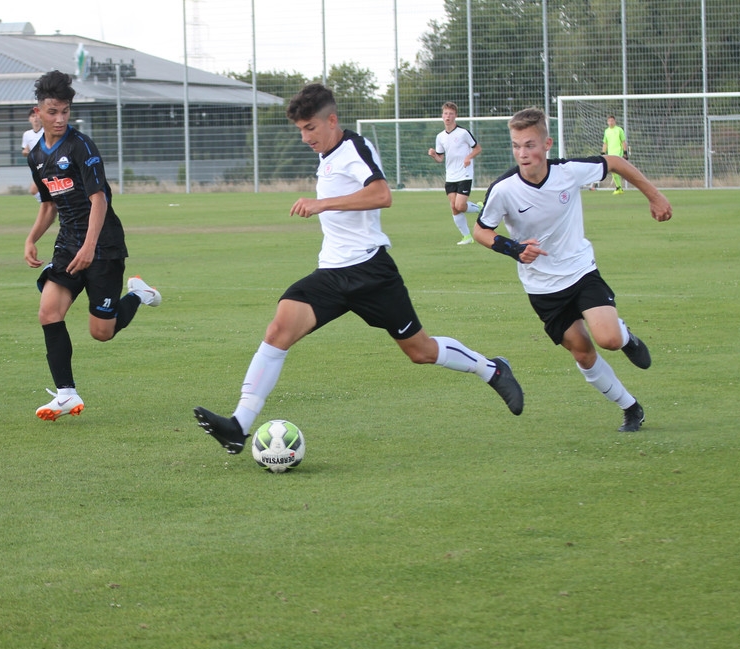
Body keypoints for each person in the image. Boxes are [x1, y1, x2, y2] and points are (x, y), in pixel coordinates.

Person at [194, 84, 524, 455]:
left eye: (310, 128)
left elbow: (382, 194)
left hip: (371, 271)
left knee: (421, 351)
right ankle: (239, 425)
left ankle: (492, 369)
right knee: (278, 329)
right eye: (300, 130)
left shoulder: (354, 148)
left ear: (331, 121)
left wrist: (322, 204)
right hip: (331, 273)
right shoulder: (327, 154)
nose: (305, 138)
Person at [472, 107, 672, 432]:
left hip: (580, 272)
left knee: (608, 339)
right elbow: (481, 230)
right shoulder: (503, 189)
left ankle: (625, 337)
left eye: (530, 145)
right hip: (542, 287)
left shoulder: (568, 172)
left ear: (547, 144)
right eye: (516, 146)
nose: (523, 153)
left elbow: (615, 162)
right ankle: (631, 408)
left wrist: (655, 196)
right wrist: (514, 249)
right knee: (582, 353)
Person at [23, 70, 161, 421]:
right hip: (68, 244)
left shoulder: (81, 147)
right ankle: (66, 394)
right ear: (38, 112)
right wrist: (31, 238)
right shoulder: (36, 156)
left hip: (104, 246)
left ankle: (139, 294)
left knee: (102, 332)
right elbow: (49, 204)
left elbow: (98, 200)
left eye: (65, 111)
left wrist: (90, 247)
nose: (59, 119)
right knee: (48, 312)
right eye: (52, 112)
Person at [427, 101, 483, 245]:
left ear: (455, 116)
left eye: (451, 114)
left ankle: (479, 208)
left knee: (460, 205)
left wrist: (468, 157)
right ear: (442, 116)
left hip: (464, 174)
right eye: (445, 113)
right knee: (454, 207)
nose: (448, 116)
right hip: (450, 176)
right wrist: (434, 155)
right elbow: (440, 159)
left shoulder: (463, 133)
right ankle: (467, 237)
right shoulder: (440, 137)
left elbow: (477, 148)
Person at [601, 115, 629, 194]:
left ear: (615, 121)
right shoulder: (606, 131)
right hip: (610, 154)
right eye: (609, 121)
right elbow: (605, 143)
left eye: (612, 121)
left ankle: (619, 187)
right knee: (614, 171)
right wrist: (603, 153)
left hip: (618, 153)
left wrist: (625, 152)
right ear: (607, 122)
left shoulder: (619, 130)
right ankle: (619, 188)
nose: (611, 122)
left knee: (616, 170)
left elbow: (623, 141)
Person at [21, 108, 44, 197]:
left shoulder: (46, 132)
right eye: (33, 116)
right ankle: (48, 204)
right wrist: (26, 152)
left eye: (37, 116)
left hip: (47, 164)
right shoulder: (27, 134)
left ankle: (48, 204)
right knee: (35, 190)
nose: (35, 118)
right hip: (36, 166)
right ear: (29, 119)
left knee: (35, 189)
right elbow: (25, 151)